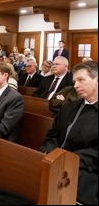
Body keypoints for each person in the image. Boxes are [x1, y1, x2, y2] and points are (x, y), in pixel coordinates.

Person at [39, 61, 98, 205]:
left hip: (85, 171)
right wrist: (49, 152)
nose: (76, 85)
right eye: (74, 81)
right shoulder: (69, 108)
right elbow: (53, 134)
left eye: (81, 80)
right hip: (55, 162)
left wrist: (70, 159)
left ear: (97, 81)